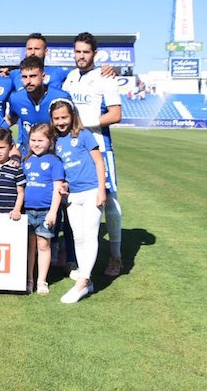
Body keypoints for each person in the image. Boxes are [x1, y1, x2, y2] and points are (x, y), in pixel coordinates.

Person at [62, 32, 123, 276]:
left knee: (109, 201)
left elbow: (116, 114)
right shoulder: (70, 78)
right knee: (74, 200)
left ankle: (116, 257)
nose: (81, 56)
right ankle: (75, 257)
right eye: (77, 51)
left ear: (94, 54)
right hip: (73, 148)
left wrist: (85, 123)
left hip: (99, 145)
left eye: (86, 52)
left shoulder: (105, 77)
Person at [50, 99, 107, 304]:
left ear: (72, 116)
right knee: (79, 237)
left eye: (64, 117)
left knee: (90, 236)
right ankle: (88, 279)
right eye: (56, 119)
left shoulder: (84, 135)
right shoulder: (56, 141)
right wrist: (64, 186)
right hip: (72, 196)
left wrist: (102, 190)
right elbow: (62, 170)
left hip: (92, 191)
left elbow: (99, 162)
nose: (61, 122)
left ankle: (82, 282)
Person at [22, 123, 65, 295]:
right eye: (33, 140)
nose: (36, 144)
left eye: (41, 140)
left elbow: (57, 189)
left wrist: (53, 212)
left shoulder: (55, 162)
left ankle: (42, 280)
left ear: (50, 142)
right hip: (27, 211)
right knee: (29, 246)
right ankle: (29, 279)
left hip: (45, 212)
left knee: (43, 245)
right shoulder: (26, 161)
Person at [7, 56, 70, 156]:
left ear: (43, 76)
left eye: (33, 76)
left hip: (58, 154)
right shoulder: (16, 98)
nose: (28, 81)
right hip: (28, 156)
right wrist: (12, 146)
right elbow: (9, 120)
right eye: (24, 77)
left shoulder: (61, 97)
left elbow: (74, 126)